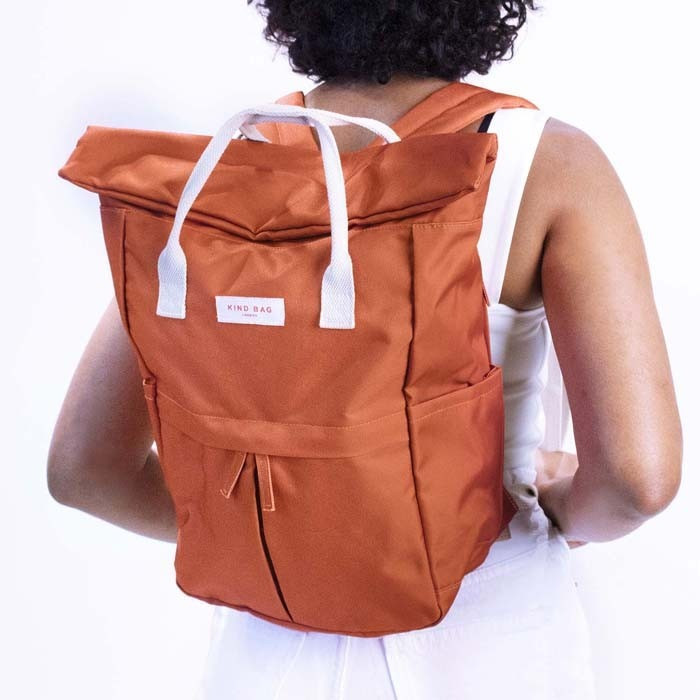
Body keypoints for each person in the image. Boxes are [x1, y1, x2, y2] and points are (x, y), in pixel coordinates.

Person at [47, 1, 683, 698]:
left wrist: (284, 535)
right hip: (487, 641)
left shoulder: (225, 174)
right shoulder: (548, 163)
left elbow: (84, 470)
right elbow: (636, 482)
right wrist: (558, 501)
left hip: (268, 656)